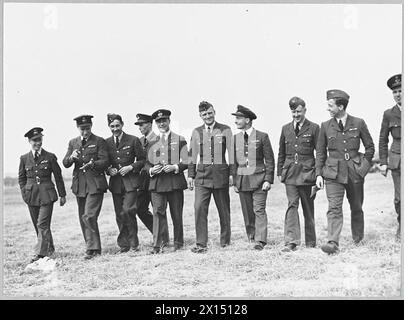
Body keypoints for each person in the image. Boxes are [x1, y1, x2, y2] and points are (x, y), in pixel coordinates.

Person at [316, 90, 375, 254]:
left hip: (354, 171)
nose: (328, 108)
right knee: (334, 207)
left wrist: (363, 168)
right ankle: (332, 242)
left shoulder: (359, 122)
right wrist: (319, 174)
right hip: (333, 173)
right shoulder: (325, 126)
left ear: (341, 106)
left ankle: (358, 238)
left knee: (356, 207)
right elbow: (320, 152)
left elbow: (370, 147)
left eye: (330, 105)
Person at [188, 101, 233, 253]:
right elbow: (192, 155)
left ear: (214, 112)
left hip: (221, 175)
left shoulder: (225, 129)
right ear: (200, 115)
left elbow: (232, 153)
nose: (207, 116)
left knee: (224, 210)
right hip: (202, 177)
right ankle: (201, 244)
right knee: (199, 207)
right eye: (204, 114)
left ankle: (225, 242)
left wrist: (232, 174)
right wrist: (191, 175)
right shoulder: (196, 132)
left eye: (210, 113)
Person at [62, 115, 109, 260]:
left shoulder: (99, 141)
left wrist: (93, 164)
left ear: (91, 126)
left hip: (95, 184)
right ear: (78, 128)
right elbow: (65, 163)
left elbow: (105, 161)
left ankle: (92, 248)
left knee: (89, 215)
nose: (85, 132)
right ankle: (92, 246)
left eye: (87, 128)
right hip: (80, 186)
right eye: (82, 129)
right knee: (83, 217)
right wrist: (71, 158)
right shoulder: (73, 142)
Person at [277, 97, 319, 252]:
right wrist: (280, 171)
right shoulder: (285, 128)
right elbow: (281, 151)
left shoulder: (314, 128)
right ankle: (291, 241)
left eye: (298, 111)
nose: (296, 115)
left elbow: (319, 152)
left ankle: (311, 241)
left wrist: (319, 174)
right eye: (293, 112)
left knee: (308, 208)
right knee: (292, 205)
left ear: (305, 110)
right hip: (290, 174)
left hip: (308, 174)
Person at [18, 127, 66, 263]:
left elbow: (58, 176)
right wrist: (24, 192)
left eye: (39, 139)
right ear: (29, 141)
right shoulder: (24, 158)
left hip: (47, 195)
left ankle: (40, 253)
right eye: (34, 140)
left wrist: (62, 194)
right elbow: (21, 178)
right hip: (31, 196)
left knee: (42, 224)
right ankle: (49, 248)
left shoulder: (50, 156)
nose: (37, 143)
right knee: (37, 225)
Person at [105, 113, 151, 254]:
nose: (115, 129)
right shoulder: (106, 143)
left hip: (131, 183)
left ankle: (134, 244)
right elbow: (105, 162)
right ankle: (124, 245)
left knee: (128, 211)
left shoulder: (133, 140)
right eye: (112, 126)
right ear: (109, 126)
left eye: (117, 125)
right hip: (116, 184)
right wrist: (109, 169)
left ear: (122, 125)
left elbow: (143, 160)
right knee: (120, 214)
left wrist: (131, 167)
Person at [144, 109, 189, 254]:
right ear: (155, 124)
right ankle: (158, 245)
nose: (161, 123)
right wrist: (151, 170)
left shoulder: (180, 139)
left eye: (164, 120)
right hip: (157, 183)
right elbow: (145, 163)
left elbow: (187, 161)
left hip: (175, 182)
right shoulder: (151, 142)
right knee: (158, 213)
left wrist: (176, 167)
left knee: (176, 213)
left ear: (169, 121)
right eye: (158, 121)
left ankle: (178, 243)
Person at [231, 105, 275, 250]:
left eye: (238, 118)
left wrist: (268, 179)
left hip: (260, 179)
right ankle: (252, 235)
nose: (236, 121)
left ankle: (260, 240)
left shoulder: (262, 136)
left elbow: (269, 160)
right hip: (243, 180)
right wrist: (235, 181)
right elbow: (233, 162)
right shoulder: (235, 138)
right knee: (247, 211)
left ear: (247, 120)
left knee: (259, 210)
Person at [379, 74, 401, 240]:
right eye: (395, 92)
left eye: (401, 90)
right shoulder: (389, 114)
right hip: (398, 161)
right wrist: (384, 163)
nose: (398, 94)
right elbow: (383, 139)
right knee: (399, 198)